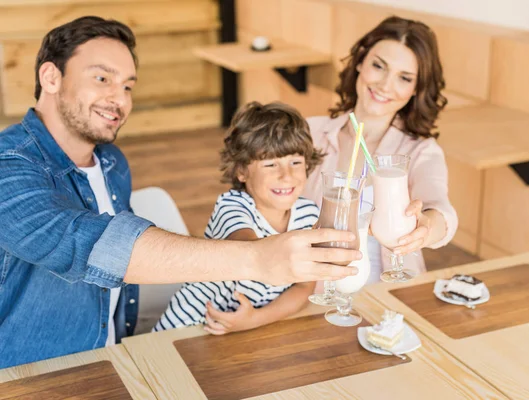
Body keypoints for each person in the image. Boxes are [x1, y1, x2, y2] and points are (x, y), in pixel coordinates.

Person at [0, 17, 360, 369]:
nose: (119, 99)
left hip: (110, 355)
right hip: (31, 375)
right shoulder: (8, 164)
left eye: (127, 86)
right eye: (102, 78)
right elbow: (90, 245)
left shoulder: (110, 162)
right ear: (51, 77)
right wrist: (258, 258)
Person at [303, 16, 458, 283]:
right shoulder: (310, 133)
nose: (386, 85)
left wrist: (428, 226)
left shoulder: (421, 151)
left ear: (415, 90)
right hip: (310, 294)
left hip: (390, 297)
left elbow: (440, 208)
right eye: (379, 66)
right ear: (360, 62)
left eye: (404, 78)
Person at [155, 102, 324, 334]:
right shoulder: (232, 206)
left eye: (296, 162)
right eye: (271, 164)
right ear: (242, 171)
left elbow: (304, 287)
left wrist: (256, 319)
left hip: (250, 329)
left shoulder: (308, 214)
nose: (286, 176)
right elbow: (247, 246)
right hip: (192, 323)